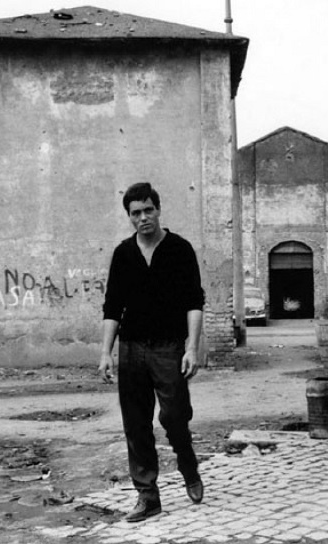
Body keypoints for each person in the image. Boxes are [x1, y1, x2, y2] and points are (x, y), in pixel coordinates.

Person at [99, 182, 205, 522]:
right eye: (136, 213)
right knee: (135, 422)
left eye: (148, 210)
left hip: (169, 347)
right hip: (131, 348)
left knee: (174, 415)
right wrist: (106, 352)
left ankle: (187, 463)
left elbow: (194, 302)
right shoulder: (123, 254)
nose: (143, 218)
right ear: (129, 217)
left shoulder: (180, 249)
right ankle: (148, 496)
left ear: (158, 210)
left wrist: (192, 348)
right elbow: (112, 306)